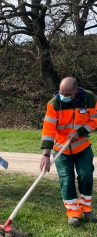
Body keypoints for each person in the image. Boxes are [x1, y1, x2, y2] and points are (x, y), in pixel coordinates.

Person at [40, 77, 97, 226]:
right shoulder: (54, 104)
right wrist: (46, 154)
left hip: (82, 147)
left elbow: (94, 120)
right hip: (61, 149)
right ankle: (73, 212)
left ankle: (86, 209)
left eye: (67, 93)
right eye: (61, 93)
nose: (63, 96)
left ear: (76, 91)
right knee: (66, 180)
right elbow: (48, 130)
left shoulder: (89, 99)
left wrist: (80, 132)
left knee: (86, 175)